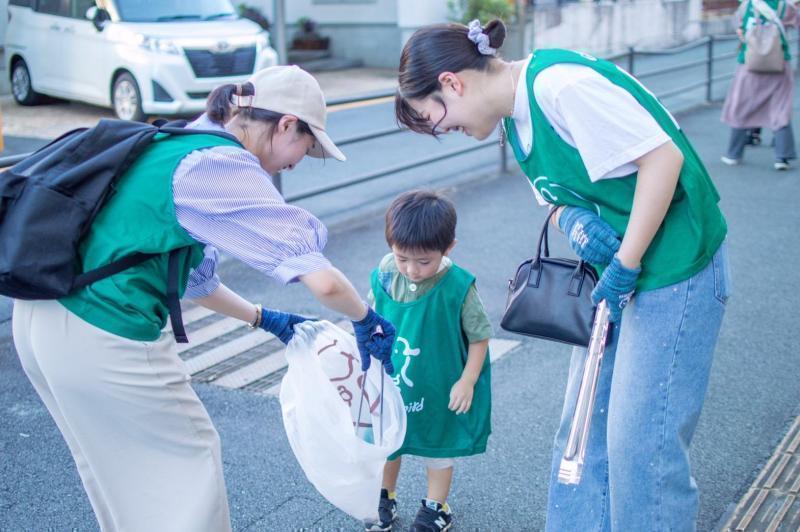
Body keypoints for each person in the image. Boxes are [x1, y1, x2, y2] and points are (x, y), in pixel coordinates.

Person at [11, 65, 396, 531]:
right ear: (286, 124)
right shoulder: (220, 164)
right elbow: (323, 281)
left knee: (117, 474)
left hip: (42, 319)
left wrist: (265, 318)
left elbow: (195, 280)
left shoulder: (178, 144)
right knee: (190, 466)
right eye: (307, 146)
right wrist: (365, 317)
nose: (300, 160)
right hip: (104, 330)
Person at [394, 19, 731, 531]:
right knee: (582, 433)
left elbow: (663, 159)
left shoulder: (559, 88)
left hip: (674, 268)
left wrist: (625, 264)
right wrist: (571, 219)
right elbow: (555, 199)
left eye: (432, 116)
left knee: (641, 444)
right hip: (618, 277)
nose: (440, 130)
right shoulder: (512, 118)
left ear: (452, 82)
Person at [364, 190, 492, 532]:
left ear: (448, 247)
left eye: (424, 261)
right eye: (402, 257)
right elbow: (371, 316)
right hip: (393, 379)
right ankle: (384, 495)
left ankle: (436, 506)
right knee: (389, 442)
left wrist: (467, 381)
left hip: (439, 382)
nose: (412, 269)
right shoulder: (386, 275)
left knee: (437, 443)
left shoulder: (458, 286)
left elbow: (480, 336)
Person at [721, 0, 798, 170]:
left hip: (749, 65)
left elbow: (738, 26)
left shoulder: (747, 5)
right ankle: (782, 157)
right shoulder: (786, 6)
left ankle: (734, 154)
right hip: (779, 64)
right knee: (780, 109)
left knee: (741, 107)